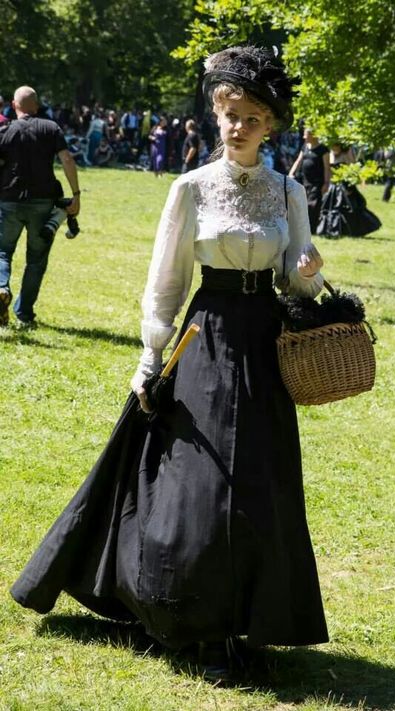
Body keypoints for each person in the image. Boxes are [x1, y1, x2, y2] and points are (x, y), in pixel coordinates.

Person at [10, 47, 328, 681]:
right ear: (216, 114)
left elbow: (298, 283)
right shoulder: (191, 188)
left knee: (260, 482)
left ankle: (248, 621)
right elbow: (166, 282)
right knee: (199, 483)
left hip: (263, 347)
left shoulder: (289, 191)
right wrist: (151, 356)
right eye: (231, 114)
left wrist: (309, 272)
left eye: (253, 118)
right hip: (205, 341)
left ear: (270, 126)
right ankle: (194, 624)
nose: (239, 126)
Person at [0, 86, 80, 328]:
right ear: (35, 106)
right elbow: (66, 159)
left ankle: (1, 286)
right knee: (36, 260)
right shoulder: (50, 128)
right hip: (43, 202)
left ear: (14, 106)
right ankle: (24, 314)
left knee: (2, 252)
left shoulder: (4, 130)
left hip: (9, 200)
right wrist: (76, 194)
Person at [289, 127, 330, 234]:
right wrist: (291, 173)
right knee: (303, 205)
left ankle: (312, 228)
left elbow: (327, 167)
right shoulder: (305, 147)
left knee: (313, 205)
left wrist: (326, 183)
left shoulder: (323, 150)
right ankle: (304, 228)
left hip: (317, 182)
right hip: (305, 181)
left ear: (313, 135)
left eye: (305, 135)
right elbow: (298, 161)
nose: (304, 137)